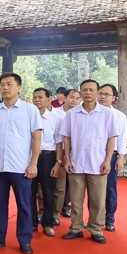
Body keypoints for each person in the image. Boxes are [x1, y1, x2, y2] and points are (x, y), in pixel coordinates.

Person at [0, 72, 41, 254]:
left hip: (21, 166)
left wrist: (33, 164)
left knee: (24, 204)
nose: (5, 88)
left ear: (19, 87)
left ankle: (24, 240)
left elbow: (36, 138)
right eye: (3, 84)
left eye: (9, 84)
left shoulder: (30, 110)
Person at [59, 80, 118, 244]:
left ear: (97, 92)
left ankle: (96, 229)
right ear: (80, 92)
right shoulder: (72, 114)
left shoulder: (107, 114)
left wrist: (108, 160)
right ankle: (76, 228)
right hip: (76, 163)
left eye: (92, 90)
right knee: (76, 200)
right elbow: (66, 137)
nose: (88, 93)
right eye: (84, 90)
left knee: (97, 201)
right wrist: (67, 158)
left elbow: (111, 138)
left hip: (98, 163)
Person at [30, 88, 62, 237]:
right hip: (29, 158)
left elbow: (59, 143)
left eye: (40, 97)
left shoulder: (56, 118)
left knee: (49, 192)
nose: (37, 100)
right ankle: (31, 222)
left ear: (49, 99)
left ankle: (48, 223)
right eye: (35, 97)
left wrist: (58, 162)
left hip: (48, 157)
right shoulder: (27, 115)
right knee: (29, 192)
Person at [98, 84, 127, 232]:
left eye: (107, 94)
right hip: (93, 155)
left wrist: (121, 158)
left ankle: (109, 219)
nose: (103, 97)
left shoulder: (120, 116)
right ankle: (95, 219)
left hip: (111, 157)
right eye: (101, 93)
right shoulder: (92, 113)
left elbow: (122, 139)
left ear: (114, 98)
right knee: (93, 189)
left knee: (110, 189)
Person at [52, 88, 81, 219]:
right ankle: (54, 211)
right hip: (58, 151)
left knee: (73, 183)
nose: (74, 100)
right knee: (59, 184)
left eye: (77, 98)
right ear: (65, 98)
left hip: (75, 152)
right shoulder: (55, 114)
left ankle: (66, 206)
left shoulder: (79, 114)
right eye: (72, 97)